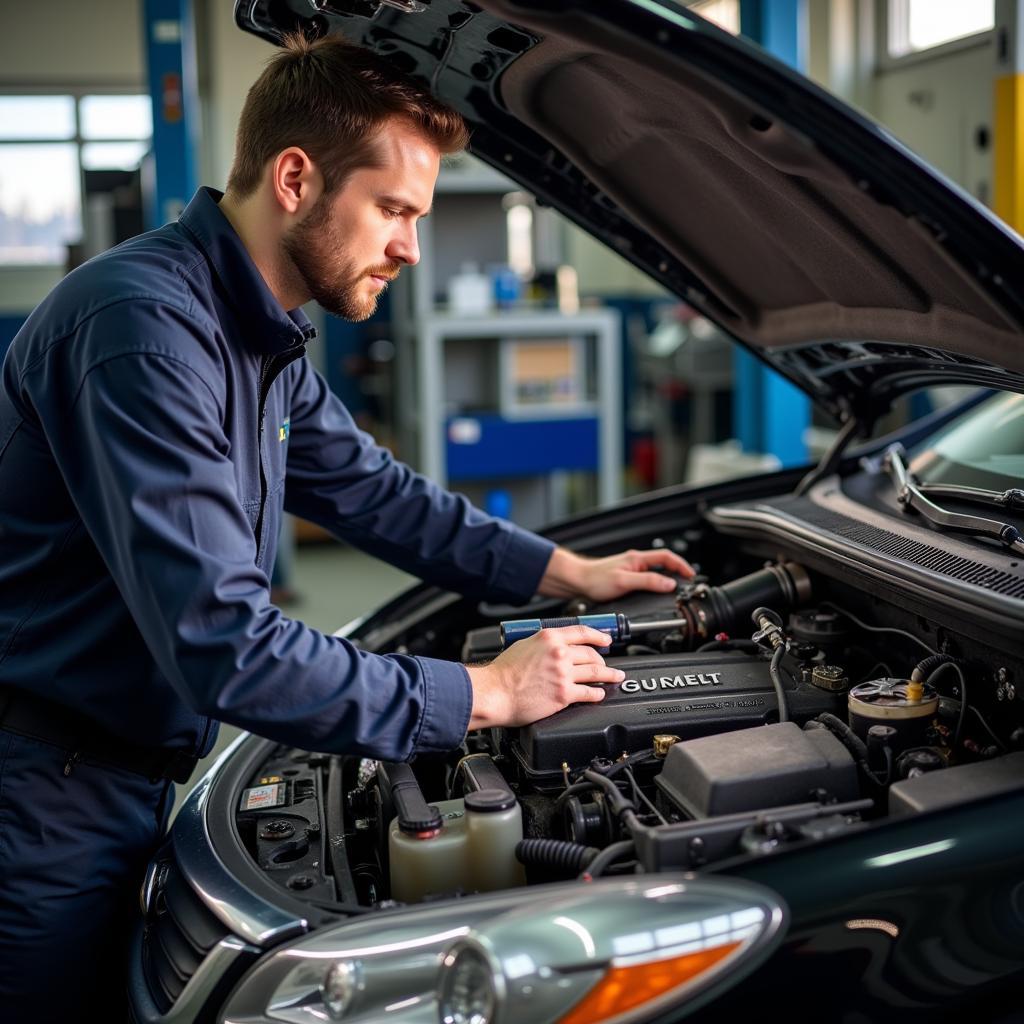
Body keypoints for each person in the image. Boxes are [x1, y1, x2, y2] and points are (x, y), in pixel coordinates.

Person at [0, 32, 692, 1020]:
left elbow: (377, 493)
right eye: (395, 209)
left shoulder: (264, 337)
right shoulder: (142, 334)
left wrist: (569, 570)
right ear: (294, 179)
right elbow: (225, 647)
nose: (412, 244)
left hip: (136, 768)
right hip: (46, 796)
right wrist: (481, 693)